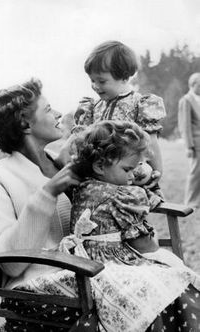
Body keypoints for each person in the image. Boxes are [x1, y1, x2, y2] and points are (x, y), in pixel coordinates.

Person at [60, 120, 200, 332]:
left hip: (80, 260)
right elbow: (145, 246)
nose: (133, 176)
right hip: (110, 264)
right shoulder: (123, 195)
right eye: (127, 169)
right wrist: (154, 247)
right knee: (173, 275)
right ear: (99, 165)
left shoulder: (82, 187)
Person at [0, 78, 82, 331]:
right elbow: (11, 263)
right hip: (36, 294)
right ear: (25, 123)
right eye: (48, 109)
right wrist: (49, 192)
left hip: (83, 274)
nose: (56, 114)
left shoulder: (60, 165)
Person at [74, 40, 166, 190]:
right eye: (92, 80)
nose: (95, 86)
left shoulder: (139, 104)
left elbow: (151, 141)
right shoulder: (93, 107)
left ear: (124, 77)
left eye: (102, 81)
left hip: (128, 175)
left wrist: (157, 170)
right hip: (99, 174)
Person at [178, 72, 200, 208]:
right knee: (195, 174)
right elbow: (184, 125)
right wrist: (189, 147)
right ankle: (190, 202)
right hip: (195, 144)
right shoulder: (186, 100)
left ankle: (197, 202)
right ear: (193, 84)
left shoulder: (198, 99)